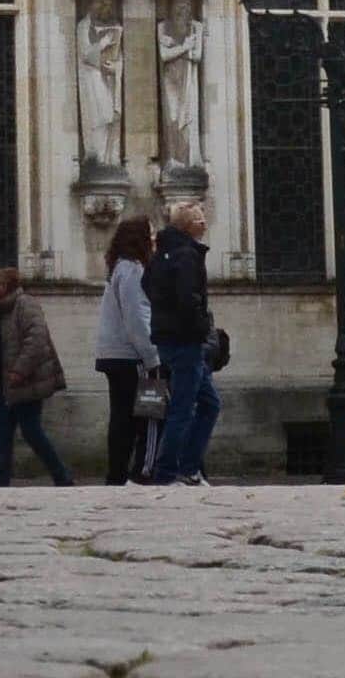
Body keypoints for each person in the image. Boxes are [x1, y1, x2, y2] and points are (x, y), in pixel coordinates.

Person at [140, 200, 219, 488]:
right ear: (187, 225)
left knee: (209, 403)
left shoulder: (163, 253)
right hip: (186, 342)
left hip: (169, 338)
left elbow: (147, 286)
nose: (204, 222)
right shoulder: (186, 255)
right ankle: (170, 471)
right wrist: (201, 328)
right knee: (183, 409)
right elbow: (189, 300)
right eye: (199, 219)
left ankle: (188, 467)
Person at [0, 267, 73, 486]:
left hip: (23, 384)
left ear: (5, 286)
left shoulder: (25, 304)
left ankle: (62, 478)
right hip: (2, 387)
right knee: (1, 438)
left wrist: (19, 370)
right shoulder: (3, 310)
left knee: (32, 432)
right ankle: (0, 485)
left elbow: (36, 339)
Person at [93, 213, 158, 486]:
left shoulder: (120, 268)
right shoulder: (132, 270)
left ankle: (117, 474)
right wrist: (152, 356)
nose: (154, 241)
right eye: (151, 236)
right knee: (141, 416)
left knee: (122, 416)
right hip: (129, 355)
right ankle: (130, 473)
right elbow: (137, 318)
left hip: (113, 353)